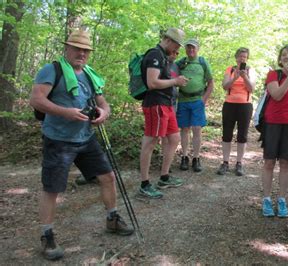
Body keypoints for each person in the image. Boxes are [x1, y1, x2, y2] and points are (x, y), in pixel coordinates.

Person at [29, 29, 134, 260]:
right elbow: (36, 99)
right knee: (52, 188)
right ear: (67, 48)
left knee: (108, 177)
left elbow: (103, 103)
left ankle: (112, 219)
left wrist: (103, 114)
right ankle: (47, 236)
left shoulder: (89, 74)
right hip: (58, 140)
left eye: (86, 50)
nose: (82, 53)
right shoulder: (52, 70)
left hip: (86, 138)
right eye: (77, 48)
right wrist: (65, 112)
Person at [138, 28, 188, 199]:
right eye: (176, 44)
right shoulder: (154, 55)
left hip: (167, 104)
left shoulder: (164, 57)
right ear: (168, 40)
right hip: (156, 104)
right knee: (150, 142)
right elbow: (152, 82)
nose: (177, 49)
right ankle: (144, 184)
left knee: (174, 138)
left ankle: (164, 177)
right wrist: (176, 81)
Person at [261, 44, 288, 218]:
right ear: (280, 59)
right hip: (273, 123)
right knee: (269, 162)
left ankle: (282, 199)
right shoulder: (273, 75)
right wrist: (287, 77)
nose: (287, 59)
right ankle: (266, 199)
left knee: (285, 163)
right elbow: (277, 95)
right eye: (284, 56)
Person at [216, 47, 256, 176]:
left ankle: (239, 163)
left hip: (245, 105)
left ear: (247, 58)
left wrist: (244, 77)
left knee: (242, 135)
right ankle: (225, 162)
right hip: (229, 104)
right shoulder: (230, 70)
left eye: (244, 57)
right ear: (236, 57)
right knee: (227, 134)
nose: (242, 59)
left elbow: (252, 88)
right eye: (240, 56)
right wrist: (235, 77)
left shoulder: (250, 70)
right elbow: (225, 86)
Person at [176, 39, 214, 172]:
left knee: (197, 129)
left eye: (193, 48)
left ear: (197, 49)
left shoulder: (202, 62)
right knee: (184, 129)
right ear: (185, 49)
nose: (191, 50)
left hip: (198, 100)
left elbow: (210, 82)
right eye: (188, 48)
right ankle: (184, 157)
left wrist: (204, 99)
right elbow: (171, 77)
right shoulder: (180, 63)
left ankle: (196, 158)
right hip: (182, 100)